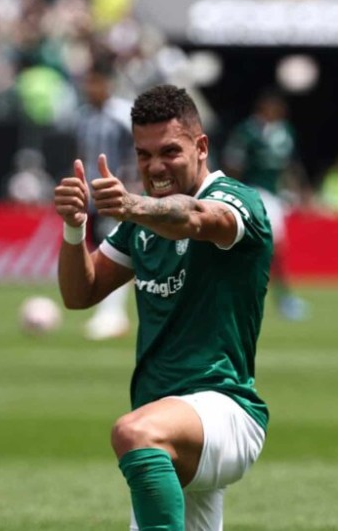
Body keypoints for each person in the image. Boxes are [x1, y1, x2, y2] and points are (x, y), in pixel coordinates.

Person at [55, 84, 270, 531]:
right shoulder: (143, 225)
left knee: (134, 433)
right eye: (144, 153)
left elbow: (192, 218)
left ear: (202, 146)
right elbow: (81, 293)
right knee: (144, 437)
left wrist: (132, 205)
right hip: (169, 422)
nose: (155, 166)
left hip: (224, 409)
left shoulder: (237, 200)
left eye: (169, 151)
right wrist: (75, 230)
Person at [222, 89, 308, 321]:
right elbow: (234, 164)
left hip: (274, 195)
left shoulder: (285, 132)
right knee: (256, 246)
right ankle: (248, 294)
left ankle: (283, 297)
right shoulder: (247, 132)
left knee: (274, 249)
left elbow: (290, 164)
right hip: (253, 192)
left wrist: (298, 189)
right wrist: (233, 193)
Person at [73, 57, 135, 340]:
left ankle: (112, 314)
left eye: (95, 82)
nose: (90, 88)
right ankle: (108, 312)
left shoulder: (122, 116)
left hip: (115, 194)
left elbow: (136, 154)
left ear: (107, 84)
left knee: (114, 251)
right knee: (97, 252)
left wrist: (129, 189)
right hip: (91, 198)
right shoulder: (83, 117)